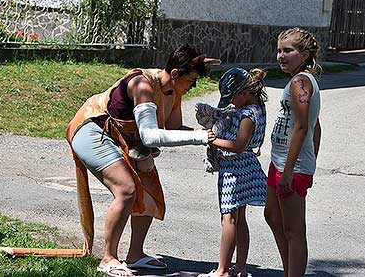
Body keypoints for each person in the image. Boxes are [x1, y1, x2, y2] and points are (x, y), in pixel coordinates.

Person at [65, 44, 220, 277]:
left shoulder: (173, 91)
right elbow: (150, 135)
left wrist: (211, 128)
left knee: (149, 189)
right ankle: (108, 258)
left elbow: (174, 129)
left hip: (127, 138)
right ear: (175, 74)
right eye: (192, 80)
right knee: (126, 189)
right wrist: (200, 137)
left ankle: (135, 255)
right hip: (94, 129)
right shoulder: (143, 85)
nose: (193, 86)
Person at [197, 68, 268, 277]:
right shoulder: (257, 108)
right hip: (247, 166)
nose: (230, 102)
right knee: (240, 219)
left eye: (232, 97)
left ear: (245, 92)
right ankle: (240, 268)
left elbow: (238, 145)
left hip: (235, 168)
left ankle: (222, 271)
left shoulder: (247, 114)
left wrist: (210, 139)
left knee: (228, 219)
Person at [264, 27, 322, 277]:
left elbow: (301, 126)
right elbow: (316, 127)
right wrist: (312, 156)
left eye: (288, 50)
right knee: (272, 216)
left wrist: (293, 169)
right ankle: (290, 270)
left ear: (305, 54)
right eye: (279, 50)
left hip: (291, 167)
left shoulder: (300, 81)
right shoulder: (297, 80)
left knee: (294, 230)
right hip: (279, 162)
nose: (281, 55)